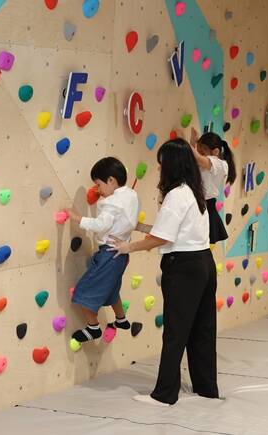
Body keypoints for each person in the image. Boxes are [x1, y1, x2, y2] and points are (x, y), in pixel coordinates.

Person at [109, 139, 218, 405]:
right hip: (203, 263)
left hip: (183, 268)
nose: (159, 169)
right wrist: (140, 226)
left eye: (161, 164)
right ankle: (206, 388)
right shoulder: (195, 191)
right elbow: (170, 232)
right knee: (202, 330)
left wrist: (127, 247)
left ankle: (165, 394)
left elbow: (162, 239)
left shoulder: (176, 195)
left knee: (175, 331)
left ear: (171, 165)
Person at [65, 157, 139, 345]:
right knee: (112, 289)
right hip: (121, 254)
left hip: (109, 254)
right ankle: (121, 319)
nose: (98, 190)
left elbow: (100, 225)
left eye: (99, 184)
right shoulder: (131, 195)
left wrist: (77, 218)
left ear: (111, 181)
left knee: (82, 292)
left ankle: (93, 328)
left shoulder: (111, 202)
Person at [189, 129, 237, 243]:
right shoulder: (206, 162)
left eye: (203, 151)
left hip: (206, 208)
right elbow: (192, 158)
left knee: (199, 247)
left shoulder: (219, 164)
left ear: (215, 152)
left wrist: (189, 143)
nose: (200, 153)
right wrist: (192, 144)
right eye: (199, 151)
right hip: (197, 206)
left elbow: (196, 158)